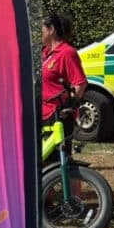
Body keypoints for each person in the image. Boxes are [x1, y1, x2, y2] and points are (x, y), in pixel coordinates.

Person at [41, 13, 88, 156]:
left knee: (60, 163)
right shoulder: (44, 53)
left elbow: (80, 83)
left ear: (51, 30)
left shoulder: (67, 53)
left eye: (41, 30)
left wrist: (69, 107)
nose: (39, 34)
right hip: (41, 115)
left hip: (57, 116)